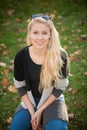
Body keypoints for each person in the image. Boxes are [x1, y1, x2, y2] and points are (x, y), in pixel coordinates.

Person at [9, 14, 70, 130]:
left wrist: (41, 110)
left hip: (53, 100)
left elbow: (60, 87)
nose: (40, 38)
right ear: (30, 34)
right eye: (35, 32)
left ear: (50, 35)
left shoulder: (60, 56)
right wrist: (32, 112)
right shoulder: (21, 56)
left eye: (44, 33)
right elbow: (20, 85)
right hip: (30, 101)